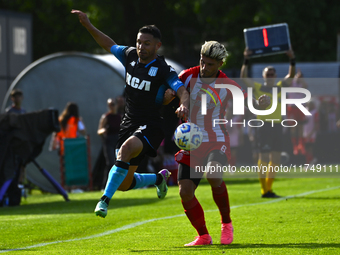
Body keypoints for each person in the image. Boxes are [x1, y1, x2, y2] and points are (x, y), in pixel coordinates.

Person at [71, 10, 189, 218]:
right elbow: (108, 44)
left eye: (146, 43)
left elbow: (182, 91)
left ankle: (104, 201)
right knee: (125, 183)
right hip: (129, 122)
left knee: (125, 150)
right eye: (139, 42)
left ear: (157, 46)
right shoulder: (130, 56)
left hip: (151, 125)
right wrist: (88, 25)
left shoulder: (163, 69)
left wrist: (183, 105)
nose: (141, 47)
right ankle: (157, 179)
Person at [165, 41, 269, 246]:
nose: (205, 67)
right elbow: (169, 91)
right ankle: (203, 235)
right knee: (185, 192)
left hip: (216, 139)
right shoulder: (186, 76)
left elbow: (248, 101)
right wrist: (168, 97)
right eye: (203, 62)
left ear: (220, 64)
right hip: (190, 142)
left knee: (213, 174)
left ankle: (226, 223)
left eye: (210, 64)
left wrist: (260, 103)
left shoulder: (228, 84)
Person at [240, 47, 296, 198]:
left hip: (277, 125)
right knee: (264, 157)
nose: (270, 76)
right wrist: (246, 59)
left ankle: (269, 189)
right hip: (263, 125)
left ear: (275, 75)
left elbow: (291, 75)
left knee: (276, 158)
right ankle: (264, 190)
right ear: (264, 76)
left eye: (272, 74)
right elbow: (243, 77)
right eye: (268, 74)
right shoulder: (259, 87)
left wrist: (292, 59)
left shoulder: (279, 87)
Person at [97, 98, 122, 189]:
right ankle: (105, 185)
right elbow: (99, 130)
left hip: (118, 141)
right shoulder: (106, 117)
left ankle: (119, 184)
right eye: (110, 105)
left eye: (113, 104)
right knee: (110, 163)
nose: (111, 106)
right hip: (109, 141)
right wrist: (103, 130)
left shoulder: (120, 116)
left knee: (120, 163)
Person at [287, 69, 308, 155]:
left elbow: (306, 86)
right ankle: (294, 145)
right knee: (293, 127)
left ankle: (301, 144)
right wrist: (295, 76)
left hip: (300, 107)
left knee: (300, 127)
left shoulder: (302, 84)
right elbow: (289, 80)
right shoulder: (292, 83)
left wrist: (301, 78)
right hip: (292, 107)